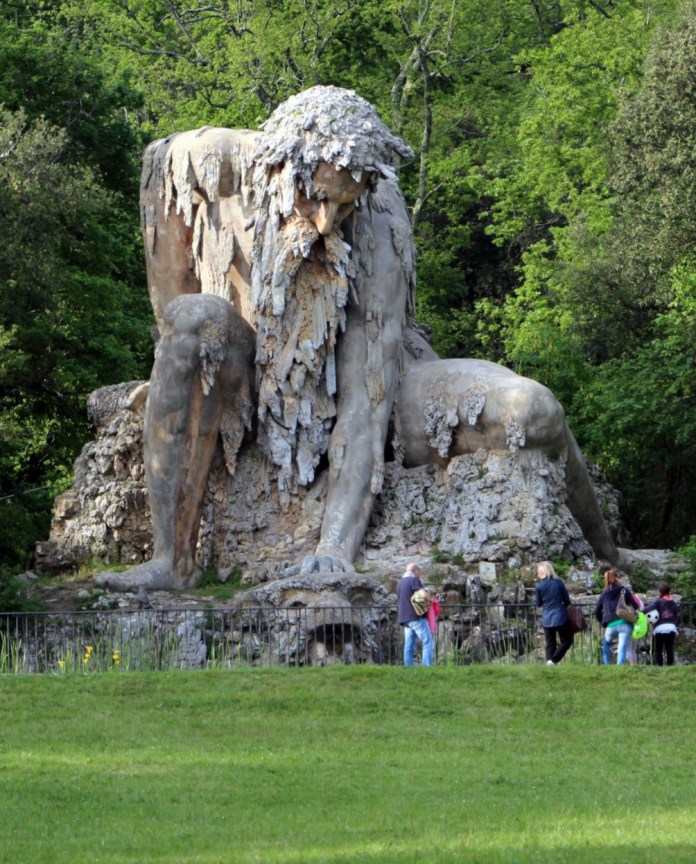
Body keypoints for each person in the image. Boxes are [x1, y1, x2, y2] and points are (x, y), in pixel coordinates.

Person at [97, 85, 622, 592]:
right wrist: (169, 376)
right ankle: (172, 561)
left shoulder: (378, 216)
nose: (327, 222)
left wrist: (333, 550)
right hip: (253, 370)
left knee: (531, 410)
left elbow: (365, 401)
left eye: (344, 206)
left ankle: (611, 557)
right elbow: (171, 310)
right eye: (319, 198)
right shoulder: (200, 164)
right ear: (282, 172)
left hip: (393, 388)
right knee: (193, 320)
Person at [594, 568, 640, 665]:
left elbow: (597, 611)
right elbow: (636, 605)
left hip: (610, 625)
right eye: (619, 577)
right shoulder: (623, 590)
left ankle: (606, 665)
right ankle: (620, 667)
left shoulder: (604, 594)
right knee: (622, 646)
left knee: (606, 644)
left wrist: (603, 622)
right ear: (616, 578)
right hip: (624, 623)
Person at [534, 561, 573, 666]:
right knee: (567, 640)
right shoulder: (558, 583)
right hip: (560, 616)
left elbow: (538, 604)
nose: (537, 574)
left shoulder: (539, 587)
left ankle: (549, 663)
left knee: (550, 643)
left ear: (541, 573)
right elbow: (567, 600)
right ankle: (554, 660)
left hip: (546, 617)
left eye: (538, 572)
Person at [396, 563, 434, 666]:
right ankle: (427, 668)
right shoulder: (413, 580)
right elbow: (423, 594)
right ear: (415, 571)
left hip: (404, 619)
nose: (419, 575)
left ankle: (408, 668)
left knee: (408, 646)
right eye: (419, 572)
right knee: (428, 642)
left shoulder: (400, 583)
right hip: (416, 617)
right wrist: (432, 600)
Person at [643, 583, 680, 666]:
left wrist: (640, 611)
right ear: (669, 592)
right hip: (671, 628)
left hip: (660, 628)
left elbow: (649, 608)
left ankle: (660, 666)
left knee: (658, 649)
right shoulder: (674, 603)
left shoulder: (658, 601)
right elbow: (675, 616)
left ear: (660, 592)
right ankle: (670, 666)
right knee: (669, 648)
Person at [625, 590, 644, 666]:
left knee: (628, 649)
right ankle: (635, 665)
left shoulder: (626, 602)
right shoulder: (638, 600)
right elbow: (642, 610)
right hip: (637, 627)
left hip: (629, 626)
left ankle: (632, 666)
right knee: (633, 649)